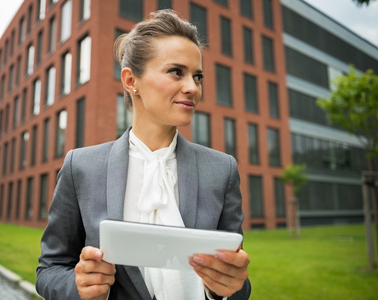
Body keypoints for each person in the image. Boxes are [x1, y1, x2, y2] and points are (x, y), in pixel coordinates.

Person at [36, 9, 251, 300]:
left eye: (197, 76)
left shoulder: (221, 169)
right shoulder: (81, 167)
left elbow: (236, 284)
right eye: (176, 71)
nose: (192, 88)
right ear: (130, 81)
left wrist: (226, 287)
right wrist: (79, 287)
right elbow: (50, 269)